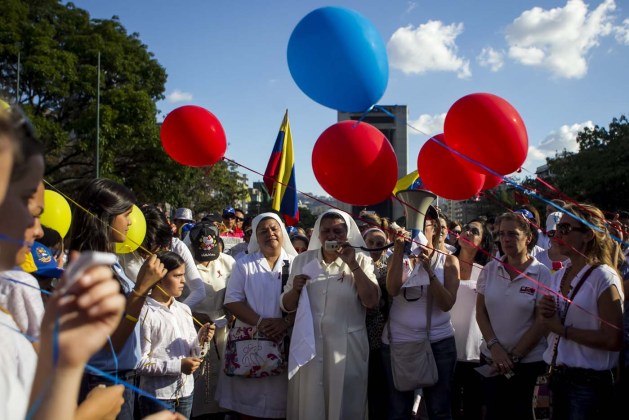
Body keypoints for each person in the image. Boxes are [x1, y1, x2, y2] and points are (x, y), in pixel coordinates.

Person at [69, 178, 166, 420]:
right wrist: (142, 289)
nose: (131, 222)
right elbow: (110, 344)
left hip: (119, 377)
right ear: (106, 217)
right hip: (102, 380)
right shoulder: (89, 269)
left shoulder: (109, 263)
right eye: (126, 214)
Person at [281, 209, 380, 419]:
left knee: (345, 404)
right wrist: (295, 289)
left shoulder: (361, 259)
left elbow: (371, 301)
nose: (332, 236)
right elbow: (286, 306)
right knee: (310, 404)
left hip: (346, 349)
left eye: (338, 231)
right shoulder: (302, 261)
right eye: (326, 231)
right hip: (309, 347)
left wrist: (352, 264)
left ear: (347, 234)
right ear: (318, 235)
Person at [538, 203, 624, 419]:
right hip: (556, 375)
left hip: (588, 384)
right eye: (558, 228)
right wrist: (546, 312)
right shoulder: (560, 273)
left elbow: (613, 339)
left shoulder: (603, 277)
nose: (557, 233)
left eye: (565, 229)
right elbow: (553, 322)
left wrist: (562, 329)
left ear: (587, 234)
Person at [217, 212, 297, 418]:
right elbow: (232, 300)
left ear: (282, 231)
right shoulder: (244, 263)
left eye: (274, 228)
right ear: (255, 236)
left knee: (284, 404)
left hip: (287, 339)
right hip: (250, 341)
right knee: (248, 408)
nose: (269, 233)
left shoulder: (297, 262)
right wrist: (261, 323)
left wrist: (285, 323)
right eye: (263, 231)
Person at [383, 205, 460, 420]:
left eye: (423, 224)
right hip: (399, 343)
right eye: (412, 224)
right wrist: (399, 250)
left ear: (434, 229)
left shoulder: (449, 261)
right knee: (399, 411)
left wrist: (429, 271)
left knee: (439, 409)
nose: (416, 229)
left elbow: (446, 303)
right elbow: (392, 290)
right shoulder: (397, 256)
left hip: (438, 343)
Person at [476, 211, 551, 420]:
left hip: (528, 365)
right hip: (492, 361)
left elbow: (542, 321)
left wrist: (514, 356)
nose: (506, 239)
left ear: (528, 237)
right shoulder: (490, 269)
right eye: (501, 234)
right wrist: (495, 347)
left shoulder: (542, 273)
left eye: (512, 234)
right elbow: (481, 312)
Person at [138, 251, 215, 418]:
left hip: (186, 392)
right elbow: (139, 362)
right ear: (159, 278)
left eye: (184, 275)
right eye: (177, 276)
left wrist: (202, 340)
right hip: (157, 396)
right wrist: (178, 366)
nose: (183, 281)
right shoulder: (145, 312)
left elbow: (192, 353)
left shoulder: (184, 309)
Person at [186, 222, 236, 419]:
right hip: (192, 331)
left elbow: (236, 293)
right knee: (198, 382)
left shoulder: (228, 262)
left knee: (221, 380)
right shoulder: (184, 263)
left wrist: (232, 311)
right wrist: (192, 315)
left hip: (223, 331)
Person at [450, 219, 493, 420]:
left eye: (474, 231)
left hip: (476, 352)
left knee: (473, 409)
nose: (467, 232)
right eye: (466, 228)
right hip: (446, 349)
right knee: (447, 408)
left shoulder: (487, 272)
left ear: (483, 242)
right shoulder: (445, 263)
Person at [362, 226, 391, 420]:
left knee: (380, 383)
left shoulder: (391, 265)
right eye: (370, 243)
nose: (374, 247)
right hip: (359, 332)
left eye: (379, 244)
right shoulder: (354, 264)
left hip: (385, 335)